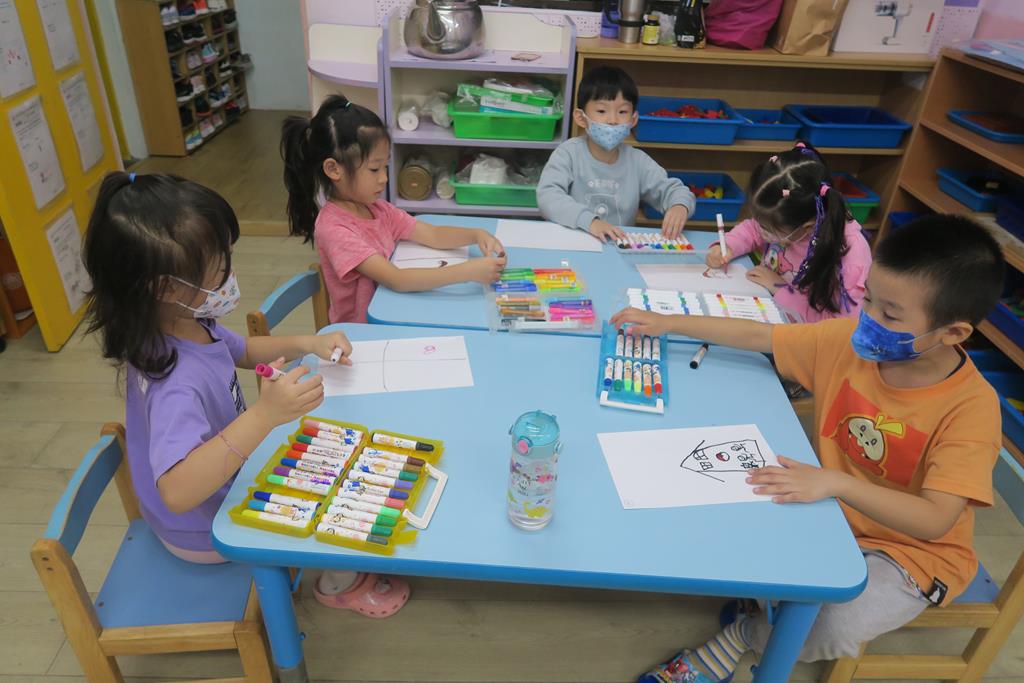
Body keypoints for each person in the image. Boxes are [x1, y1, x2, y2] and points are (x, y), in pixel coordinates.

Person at [616, 214, 1004, 682]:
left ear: (953, 333)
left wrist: (836, 483)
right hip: (833, 509)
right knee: (723, 500)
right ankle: (772, 606)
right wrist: (669, 322)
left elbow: (935, 519)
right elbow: (763, 336)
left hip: (910, 552)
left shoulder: (971, 407)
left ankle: (743, 636)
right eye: (868, 299)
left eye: (890, 315)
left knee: (835, 624)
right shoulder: (851, 342)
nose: (868, 319)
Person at [83, 171, 409, 617]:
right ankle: (338, 582)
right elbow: (176, 491)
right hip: (203, 530)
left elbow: (243, 351)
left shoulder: (184, 323)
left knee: (329, 450)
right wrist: (264, 415)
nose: (229, 276)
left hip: (222, 479)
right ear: (165, 287)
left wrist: (309, 342)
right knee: (333, 481)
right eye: (220, 270)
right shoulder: (173, 383)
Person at [281, 95, 506, 323]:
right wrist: (468, 272)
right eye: (374, 169)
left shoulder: (377, 209)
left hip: (394, 310)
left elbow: (433, 234)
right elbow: (396, 279)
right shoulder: (334, 229)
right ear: (333, 169)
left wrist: (476, 235)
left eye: (385, 167)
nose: (384, 178)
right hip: (364, 330)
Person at [708, 143, 871, 322]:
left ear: (807, 227)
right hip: (768, 307)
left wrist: (780, 289)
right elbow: (753, 229)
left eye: (770, 231)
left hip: (801, 331)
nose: (762, 231)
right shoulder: (787, 219)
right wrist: (728, 246)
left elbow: (838, 325)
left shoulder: (851, 258)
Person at [536, 66, 695, 242]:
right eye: (601, 111)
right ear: (581, 118)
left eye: (622, 112)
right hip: (574, 243)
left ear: (633, 120)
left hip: (618, 246)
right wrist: (589, 221)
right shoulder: (568, 154)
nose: (612, 120)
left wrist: (679, 206)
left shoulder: (638, 161)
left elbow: (674, 190)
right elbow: (548, 197)